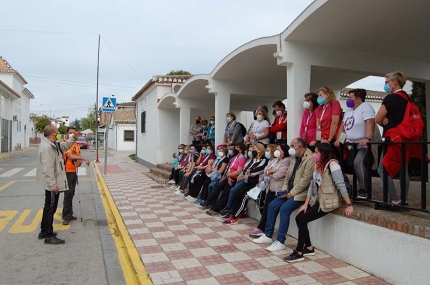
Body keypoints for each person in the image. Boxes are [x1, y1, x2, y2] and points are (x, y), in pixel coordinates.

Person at [283, 143, 353, 262]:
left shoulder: (333, 165)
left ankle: (299, 252)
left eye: (316, 152)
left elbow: (341, 185)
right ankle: (309, 248)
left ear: (324, 153)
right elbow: (312, 185)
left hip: (328, 202)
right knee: (299, 217)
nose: (314, 155)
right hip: (319, 200)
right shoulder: (318, 165)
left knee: (304, 219)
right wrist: (306, 204)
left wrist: (349, 205)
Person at [253, 138, 314, 252]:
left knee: (284, 209)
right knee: (272, 206)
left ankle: (280, 241)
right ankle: (268, 235)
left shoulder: (309, 159)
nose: (290, 148)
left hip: (300, 194)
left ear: (299, 147)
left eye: (292, 146)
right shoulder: (293, 158)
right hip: (288, 191)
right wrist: (285, 190)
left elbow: (305, 181)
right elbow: (287, 176)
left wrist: (291, 193)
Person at [36, 124, 79, 244]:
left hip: (52, 183)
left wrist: (73, 138)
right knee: (51, 208)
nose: (58, 132)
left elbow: (64, 146)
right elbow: (47, 168)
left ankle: (44, 231)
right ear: (53, 133)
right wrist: (53, 185)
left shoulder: (53, 145)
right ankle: (49, 236)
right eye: (57, 131)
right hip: (51, 184)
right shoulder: (47, 148)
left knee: (48, 207)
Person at [375, 71, 412, 205]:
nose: (386, 84)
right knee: (403, 168)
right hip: (405, 138)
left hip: (392, 138)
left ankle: (395, 199)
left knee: (382, 168)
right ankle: (404, 199)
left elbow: (377, 118)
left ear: (395, 82)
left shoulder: (391, 98)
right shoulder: (407, 98)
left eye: (387, 82)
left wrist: (382, 120)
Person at [335, 88, 376, 198]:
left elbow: (370, 122)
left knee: (358, 163)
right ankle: (348, 189)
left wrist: (368, 138)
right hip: (350, 144)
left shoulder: (366, 107)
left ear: (358, 99)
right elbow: (344, 126)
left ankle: (364, 189)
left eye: (350, 97)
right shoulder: (349, 110)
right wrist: (339, 139)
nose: (348, 100)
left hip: (362, 144)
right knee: (351, 166)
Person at [222, 143, 268, 224]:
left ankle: (234, 216)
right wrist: (249, 172)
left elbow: (256, 171)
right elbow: (245, 169)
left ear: (260, 150)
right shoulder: (253, 159)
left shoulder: (263, 160)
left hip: (256, 184)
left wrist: (249, 172)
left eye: (255, 149)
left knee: (247, 199)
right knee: (236, 193)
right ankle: (231, 213)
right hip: (247, 181)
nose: (253, 151)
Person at [202, 143, 247, 214]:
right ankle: (209, 202)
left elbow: (238, 171)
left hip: (234, 178)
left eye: (237, 148)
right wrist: (228, 176)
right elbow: (229, 168)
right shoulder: (234, 158)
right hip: (229, 177)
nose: (235, 149)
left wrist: (229, 176)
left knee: (226, 193)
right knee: (218, 186)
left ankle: (217, 209)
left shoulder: (243, 159)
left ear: (241, 150)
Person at [62, 126, 90, 225]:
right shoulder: (65, 144)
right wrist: (83, 159)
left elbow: (76, 157)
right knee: (68, 193)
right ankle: (66, 216)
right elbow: (69, 155)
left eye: (74, 133)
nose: (73, 135)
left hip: (74, 171)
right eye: (70, 133)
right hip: (67, 171)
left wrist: (79, 162)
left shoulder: (76, 145)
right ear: (67, 134)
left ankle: (69, 213)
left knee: (72, 192)